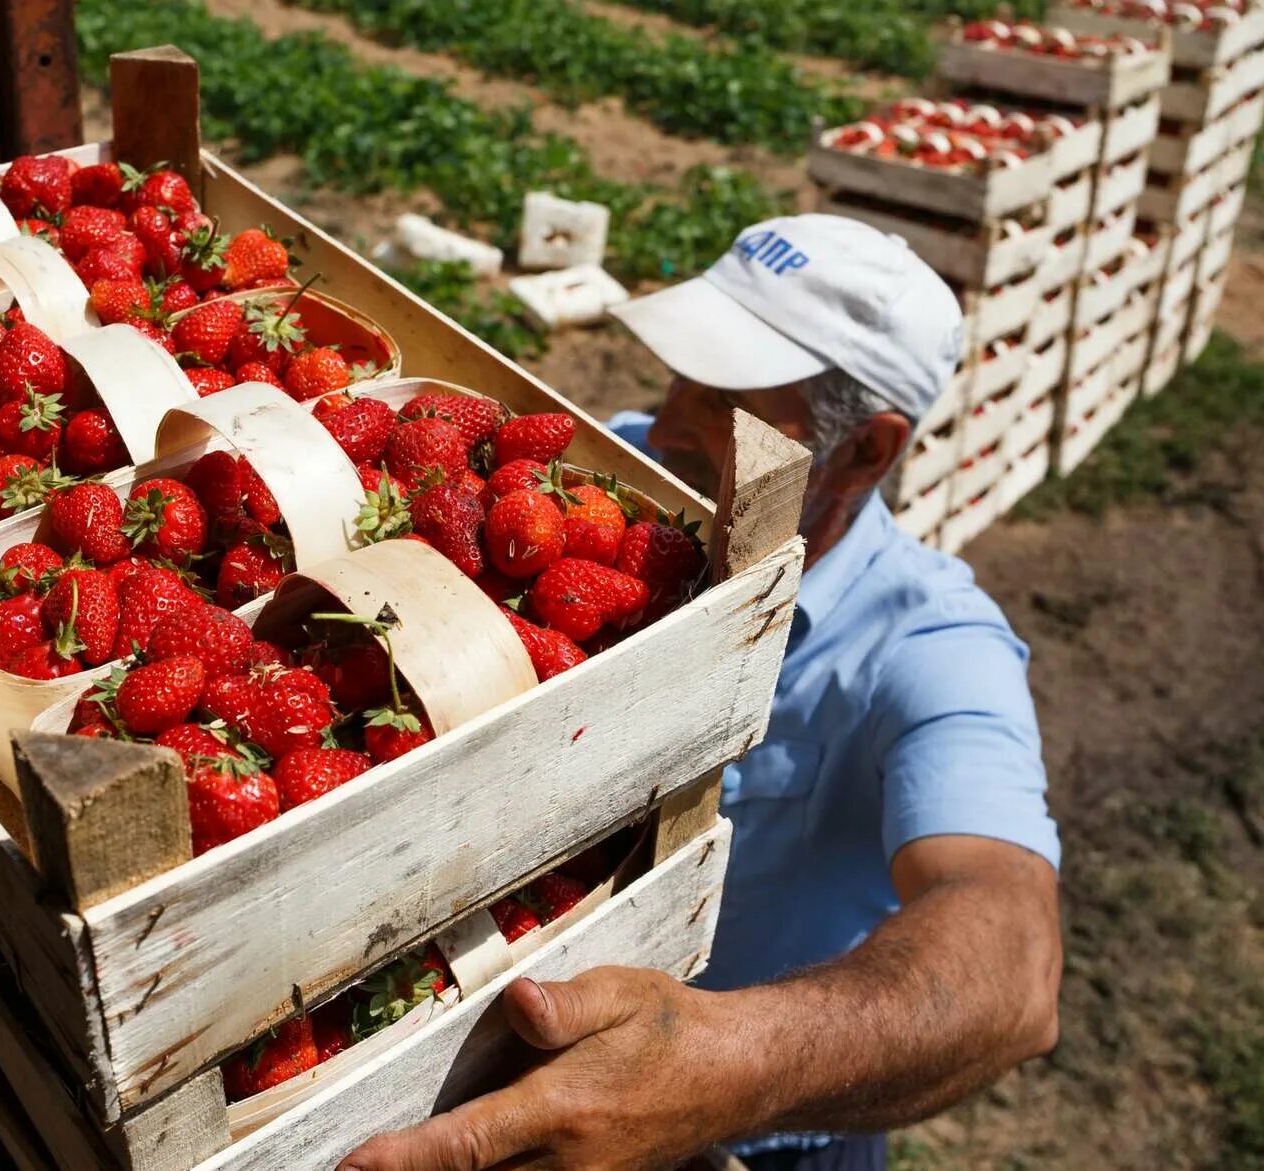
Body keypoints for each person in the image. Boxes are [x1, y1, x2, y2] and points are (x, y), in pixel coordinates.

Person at [342, 215, 1062, 1171]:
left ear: (865, 452)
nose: (669, 421)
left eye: (727, 399)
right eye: (683, 371)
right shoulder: (627, 479)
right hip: (502, 1047)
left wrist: (717, 1064)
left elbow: (1013, 964)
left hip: (757, 1122)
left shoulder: (929, 647)